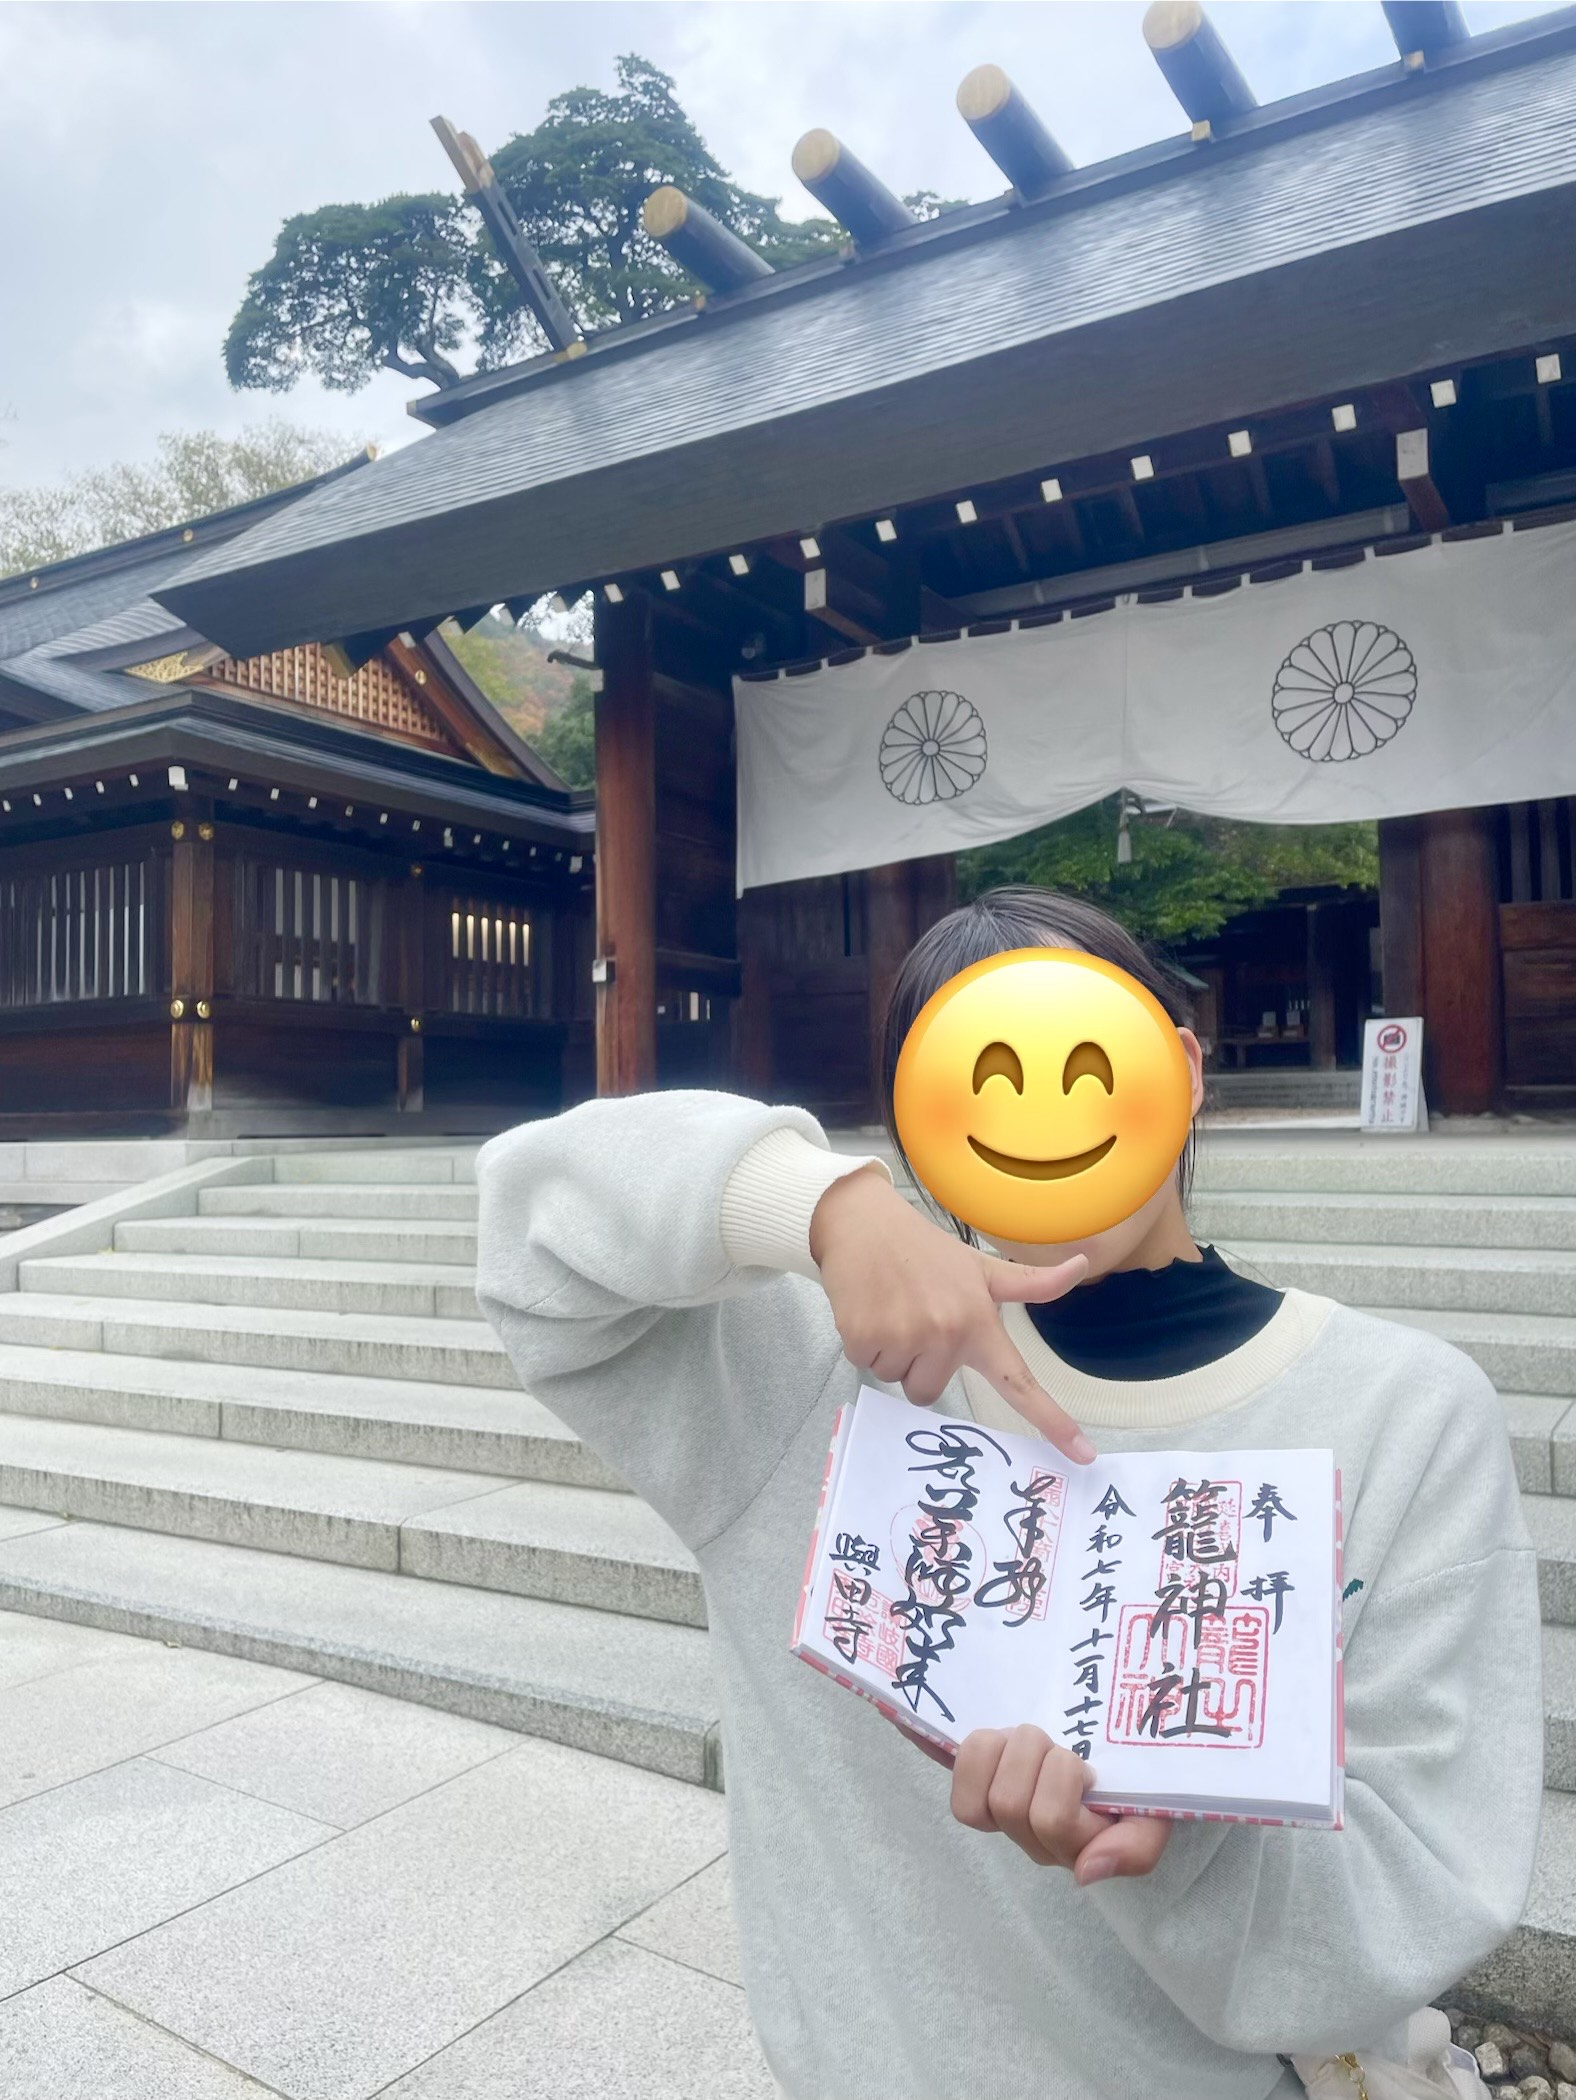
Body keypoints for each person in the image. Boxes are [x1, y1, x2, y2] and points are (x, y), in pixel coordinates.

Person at [474, 885, 1542, 2100]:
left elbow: (1417, 1887)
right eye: (978, 1073)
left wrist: (1179, 1848)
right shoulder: (806, 1377)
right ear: (914, 1120)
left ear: (1183, 1068)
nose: (1041, 1106)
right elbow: (530, 1230)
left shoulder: (1402, 1412)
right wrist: (814, 1203)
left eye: (1085, 1053)